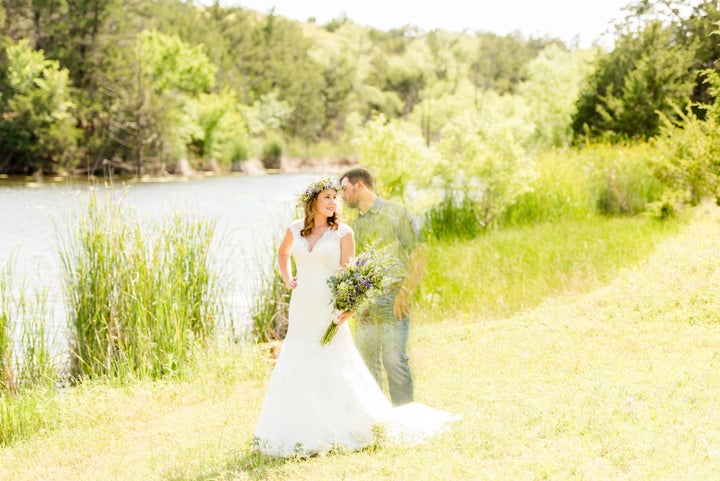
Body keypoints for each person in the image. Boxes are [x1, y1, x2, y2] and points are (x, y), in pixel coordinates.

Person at [253, 176, 456, 457]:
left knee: (333, 360)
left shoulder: (343, 233)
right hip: (302, 306)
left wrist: (347, 308)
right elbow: (283, 253)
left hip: (328, 307)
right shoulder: (294, 230)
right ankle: (297, 428)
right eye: (327, 197)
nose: (333, 202)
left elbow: (350, 276)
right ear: (312, 202)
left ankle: (343, 423)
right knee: (298, 357)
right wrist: (288, 278)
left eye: (335, 198)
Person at [339, 167, 427, 406]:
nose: (342, 196)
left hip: (393, 299)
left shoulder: (396, 213)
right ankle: (377, 420)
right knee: (366, 364)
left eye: (345, 189)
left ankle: (406, 417)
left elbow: (420, 252)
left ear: (360, 185)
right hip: (365, 305)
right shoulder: (353, 228)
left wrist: (406, 292)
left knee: (394, 360)